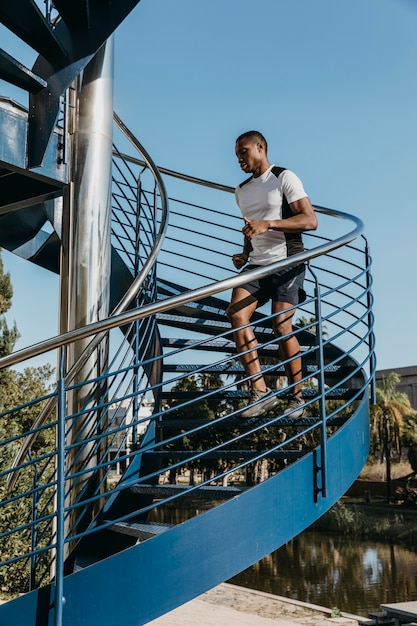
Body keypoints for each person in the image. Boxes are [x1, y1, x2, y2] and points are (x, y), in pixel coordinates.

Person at [226, 130, 318, 419]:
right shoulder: (241, 190)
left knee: (281, 326)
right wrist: (244, 251)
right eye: (237, 154)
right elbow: (251, 227)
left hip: (287, 261)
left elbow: (310, 220)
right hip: (257, 263)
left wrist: (269, 225)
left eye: (244, 151)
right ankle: (260, 391)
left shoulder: (284, 177)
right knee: (236, 315)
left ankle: (297, 397)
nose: (240, 158)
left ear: (260, 147)